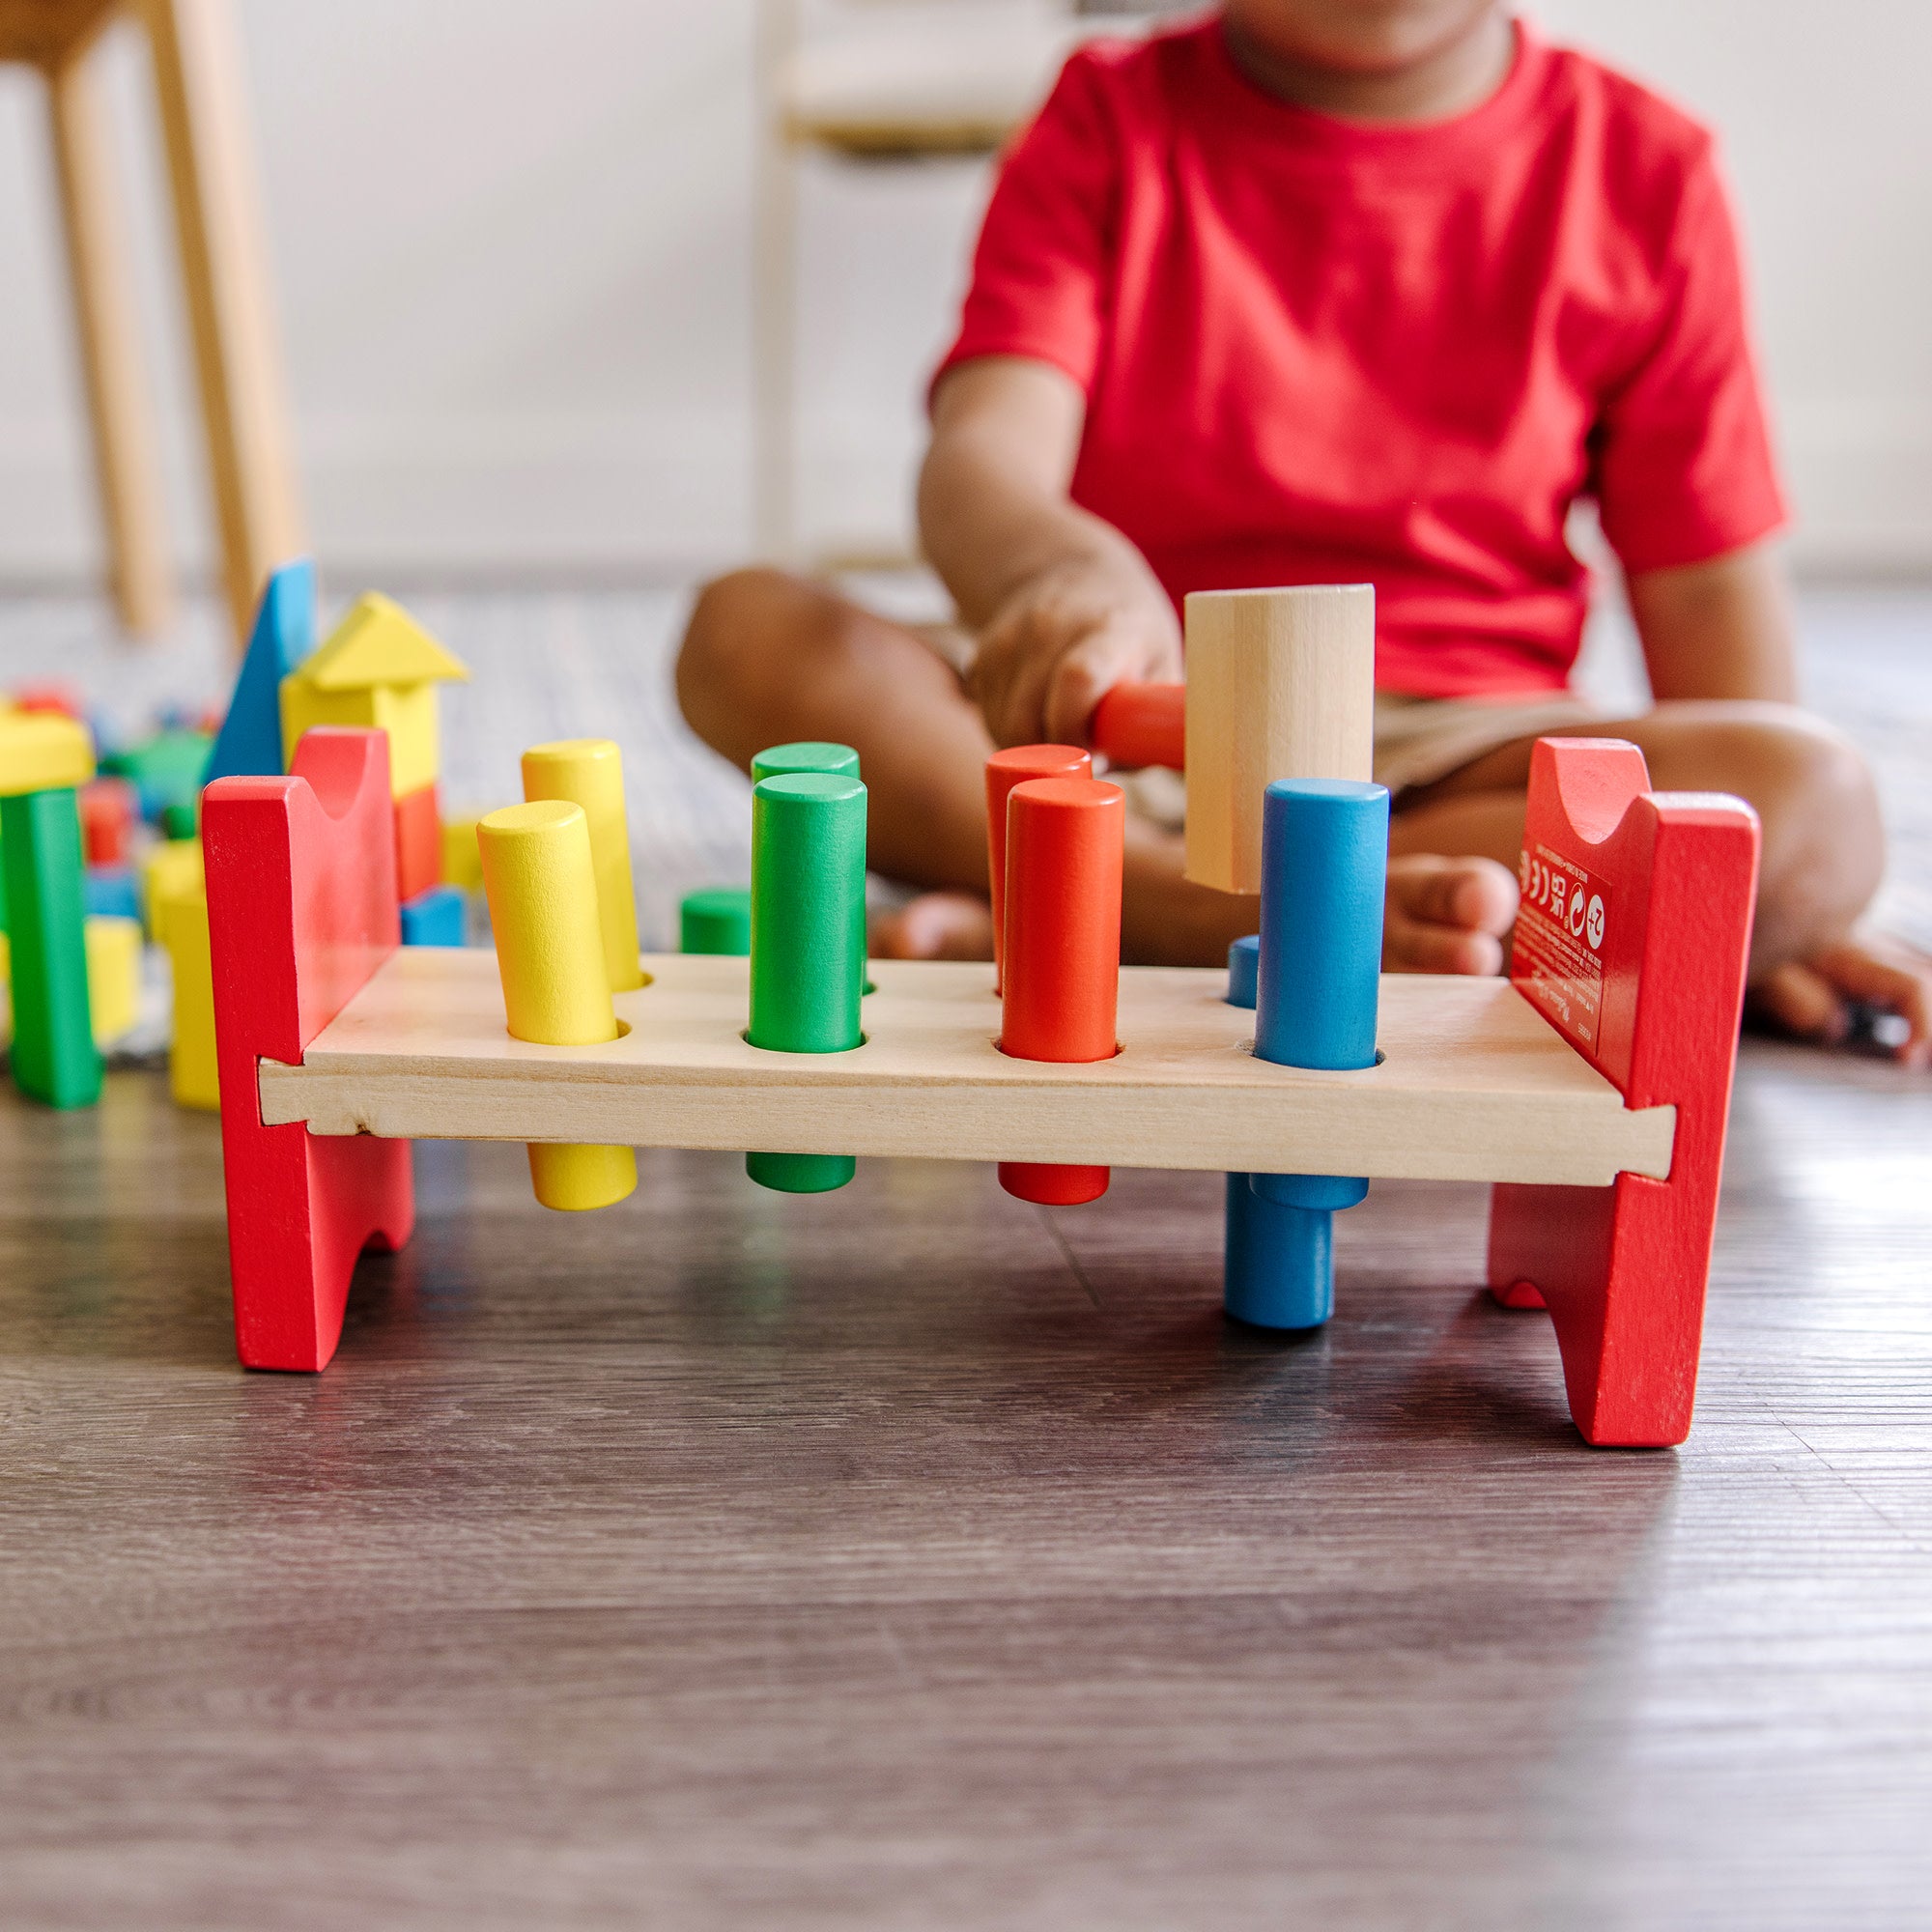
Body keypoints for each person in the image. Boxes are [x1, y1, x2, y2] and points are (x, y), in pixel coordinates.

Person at [679, 0, 1930, 1065]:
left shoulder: (1647, 169)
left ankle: (1083, 906)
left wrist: (1746, 890)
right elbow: (985, 451)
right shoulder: (1107, 117)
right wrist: (1070, 577)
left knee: (1813, 806)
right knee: (748, 633)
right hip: (1131, 710)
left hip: (1450, 755)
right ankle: (1246, 913)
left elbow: (1706, 586)